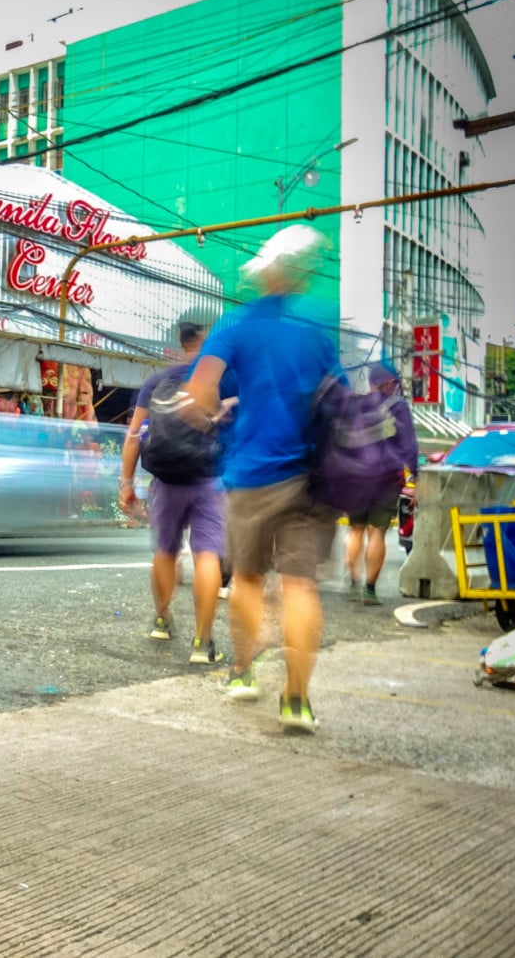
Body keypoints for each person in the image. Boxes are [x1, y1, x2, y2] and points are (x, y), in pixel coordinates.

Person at [183, 225, 341, 733]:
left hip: (253, 472)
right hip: (312, 474)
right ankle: (297, 698)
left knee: (248, 579)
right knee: (300, 586)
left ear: (263, 272)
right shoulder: (319, 322)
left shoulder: (238, 323)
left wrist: (214, 412)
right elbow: (334, 390)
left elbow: (197, 394)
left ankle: (243, 670)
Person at [119, 321, 227, 663]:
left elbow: (134, 434)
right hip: (210, 479)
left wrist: (126, 483)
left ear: (181, 344)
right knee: (207, 555)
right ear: (205, 343)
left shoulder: (156, 381)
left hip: (166, 480)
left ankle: (163, 619)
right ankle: (202, 642)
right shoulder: (218, 378)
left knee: (165, 551)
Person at [343, 362, 419, 603]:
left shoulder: (355, 405)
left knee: (355, 529)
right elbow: (409, 445)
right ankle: (369, 590)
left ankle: (353, 580)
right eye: (394, 383)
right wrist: (415, 476)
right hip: (386, 478)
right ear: (389, 384)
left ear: (370, 382)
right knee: (377, 532)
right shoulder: (398, 408)